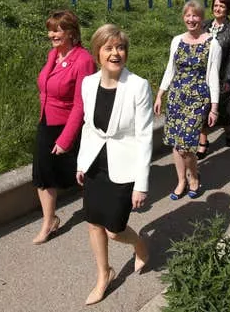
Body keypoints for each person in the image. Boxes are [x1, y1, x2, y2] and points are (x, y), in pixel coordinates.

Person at [76, 24, 153, 306]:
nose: (115, 53)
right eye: (108, 48)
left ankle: (139, 243)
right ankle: (103, 274)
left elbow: (145, 137)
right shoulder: (88, 83)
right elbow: (88, 127)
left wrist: (141, 185)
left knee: (114, 229)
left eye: (120, 47)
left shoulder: (138, 86)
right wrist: (82, 163)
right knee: (93, 222)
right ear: (98, 52)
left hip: (125, 165)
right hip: (96, 162)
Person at [32, 10, 95, 244]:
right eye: (50, 29)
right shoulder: (53, 55)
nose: (52, 34)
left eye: (57, 30)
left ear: (71, 32)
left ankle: (98, 214)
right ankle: (49, 221)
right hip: (47, 121)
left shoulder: (84, 60)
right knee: (42, 173)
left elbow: (81, 104)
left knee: (84, 174)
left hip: (71, 126)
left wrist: (65, 139)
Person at [154, 0, 222, 200]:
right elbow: (170, 68)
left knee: (186, 145)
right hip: (176, 96)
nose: (191, 20)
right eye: (188, 16)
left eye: (195, 16)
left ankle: (193, 177)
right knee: (176, 143)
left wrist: (214, 108)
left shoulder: (213, 43)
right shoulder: (177, 40)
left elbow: (213, 76)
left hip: (198, 99)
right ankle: (181, 180)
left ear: (202, 18)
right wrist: (160, 94)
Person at [197, 0, 230, 159]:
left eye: (222, 6)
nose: (218, 9)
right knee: (203, 109)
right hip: (203, 76)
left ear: (227, 9)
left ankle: (229, 127)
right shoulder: (204, 25)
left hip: (222, 77)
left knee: (220, 111)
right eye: (216, 5)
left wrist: (228, 79)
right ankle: (203, 142)